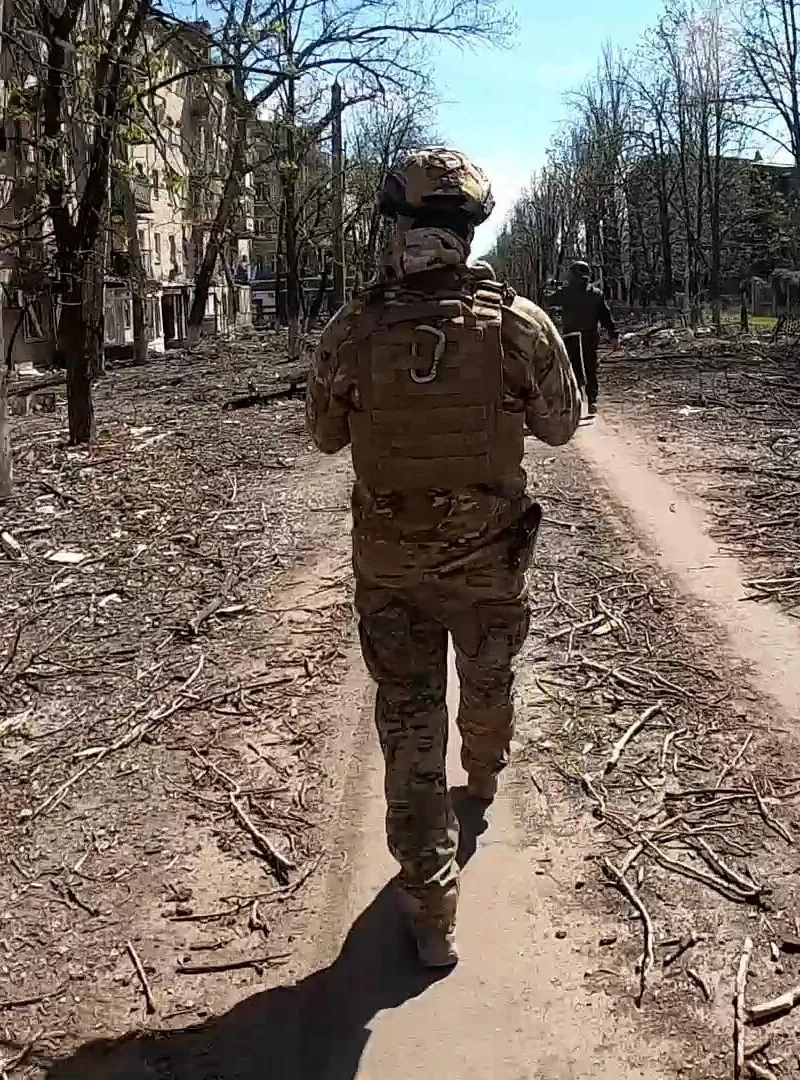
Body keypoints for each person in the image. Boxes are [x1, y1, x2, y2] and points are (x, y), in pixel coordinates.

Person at [304, 147, 581, 969]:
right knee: (489, 684)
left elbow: (323, 437)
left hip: (391, 573)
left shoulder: (349, 329)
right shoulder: (519, 323)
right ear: (470, 228)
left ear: (397, 228)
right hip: (490, 565)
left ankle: (431, 906)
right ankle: (486, 778)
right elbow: (563, 426)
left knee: (408, 723)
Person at [549, 260, 617, 417]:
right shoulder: (595, 294)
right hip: (586, 336)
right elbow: (606, 317)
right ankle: (589, 399)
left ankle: (582, 398)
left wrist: (551, 288)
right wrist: (614, 336)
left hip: (575, 336)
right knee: (588, 367)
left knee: (576, 368)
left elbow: (549, 300)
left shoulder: (568, 293)